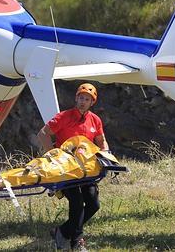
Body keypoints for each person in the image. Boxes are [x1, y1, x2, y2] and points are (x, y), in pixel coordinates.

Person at [36, 83, 109, 251]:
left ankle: (62, 231)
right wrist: (52, 154)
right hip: (66, 168)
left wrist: (106, 154)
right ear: (76, 98)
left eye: (87, 99)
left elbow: (101, 140)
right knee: (76, 202)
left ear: (92, 102)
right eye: (81, 98)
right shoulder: (64, 116)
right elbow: (43, 134)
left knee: (93, 204)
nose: (83, 102)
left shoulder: (95, 120)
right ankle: (77, 242)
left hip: (86, 168)